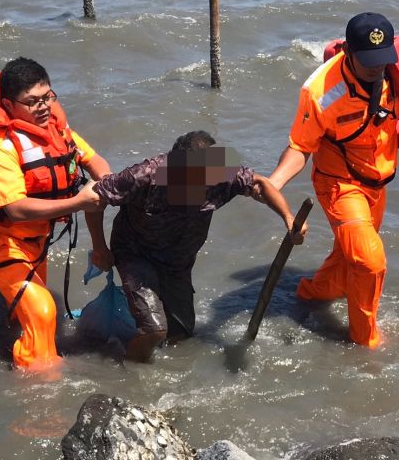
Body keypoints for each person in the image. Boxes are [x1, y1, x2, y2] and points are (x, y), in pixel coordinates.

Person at [263, 12, 399, 348]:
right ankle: (365, 343)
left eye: (383, 60)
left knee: (344, 266)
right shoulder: (321, 93)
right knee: (369, 260)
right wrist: (273, 183)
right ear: (348, 52)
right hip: (339, 184)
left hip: (377, 182)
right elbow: (299, 147)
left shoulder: (396, 63)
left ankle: (308, 295)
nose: (377, 68)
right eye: (368, 61)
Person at [88, 130, 308, 362]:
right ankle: (128, 372)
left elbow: (261, 184)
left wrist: (288, 218)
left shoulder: (222, 171)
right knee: (154, 329)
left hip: (178, 260)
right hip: (136, 253)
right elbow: (95, 197)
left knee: (182, 333)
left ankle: (167, 374)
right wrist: (100, 247)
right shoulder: (144, 175)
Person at [0, 57, 110, 371]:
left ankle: (14, 337)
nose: (43, 107)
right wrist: (78, 203)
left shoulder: (54, 128)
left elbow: (96, 164)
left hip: (36, 239)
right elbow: (15, 209)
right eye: (31, 102)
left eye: (47, 97)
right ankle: (40, 399)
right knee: (43, 312)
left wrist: (111, 191)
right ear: (7, 104)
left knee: (29, 310)